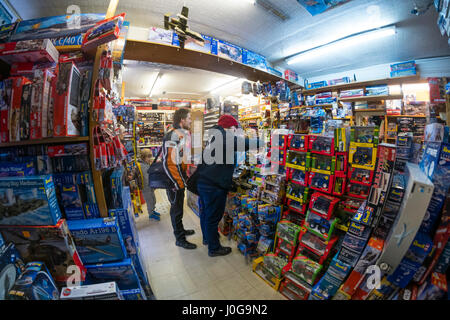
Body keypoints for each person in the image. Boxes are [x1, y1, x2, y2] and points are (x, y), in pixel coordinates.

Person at [196, 115, 260, 257]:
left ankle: (208, 238)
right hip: (213, 185)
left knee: (206, 214)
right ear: (230, 127)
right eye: (234, 128)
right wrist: (264, 142)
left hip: (205, 182)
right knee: (213, 217)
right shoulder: (224, 137)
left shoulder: (214, 136)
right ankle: (214, 248)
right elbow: (243, 143)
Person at [162, 108, 197, 249]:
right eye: (189, 118)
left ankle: (180, 230)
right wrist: (178, 182)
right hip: (173, 181)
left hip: (179, 178)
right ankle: (179, 238)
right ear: (182, 120)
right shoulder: (174, 135)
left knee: (178, 208)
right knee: (176, 210)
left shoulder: (182, 134)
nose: (190, 120)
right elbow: (168, 162)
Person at [138, 148, 161, 221]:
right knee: (149, 201)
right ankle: (151, 214)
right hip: (146, 187)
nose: (150, 158)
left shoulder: (146, 163)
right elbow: (147, 177)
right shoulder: (142, 166)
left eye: (150, 156)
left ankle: (153, 211)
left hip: (150, 186)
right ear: (143, 157)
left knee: (153, 199)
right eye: (148, 157)